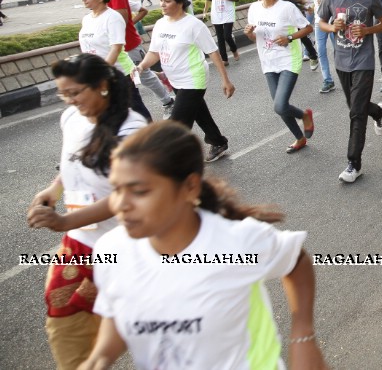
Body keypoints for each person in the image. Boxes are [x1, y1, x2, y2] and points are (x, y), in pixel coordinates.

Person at [79, 121, 328, 370]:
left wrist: (303, 336)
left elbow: (295, 261)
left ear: (190, 187)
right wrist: (98, 359)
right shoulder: (110, 251)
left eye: (140, 191)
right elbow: (116, 321)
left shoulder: (237, 243)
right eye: (116, 189)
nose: (121, 205)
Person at [27, 54, 147, 370]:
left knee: (144, 332)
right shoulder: (71, 118)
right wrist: (53, 191)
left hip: (126, 251)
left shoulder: (132, 130)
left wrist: (65, 220)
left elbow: (124, 197)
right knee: (65, 325)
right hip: (79, 246)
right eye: (63, 94)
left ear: (102, 85)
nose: (70, 101)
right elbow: (71, 163)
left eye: (76, 92)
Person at [135, 0, 235, 162]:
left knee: (178, 125)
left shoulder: (193, 25)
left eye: (167, 1)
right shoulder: (160, 24)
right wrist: (142, 66)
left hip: (193, 79)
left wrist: (225, 80)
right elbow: (154, 52)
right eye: (161, 1)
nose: (162, 5)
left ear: (180, 3)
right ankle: (218, 141)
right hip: (175, 79)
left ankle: (174, 164)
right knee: (198, 112)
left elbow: (213, 52)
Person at [318, 0, 382, 183]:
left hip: (364, 62)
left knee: (356, 113)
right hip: (341, 62)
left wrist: (367, 30)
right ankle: (377, 112)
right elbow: (320, 22)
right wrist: (332, 27)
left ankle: (353, 163)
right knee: (354, 105)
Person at [245, 0, 315, 153]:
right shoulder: (254, 8)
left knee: (280, 105)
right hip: (268, 61)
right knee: (279, 106)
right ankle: (299, 138)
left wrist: (289, 37)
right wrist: (249, 34)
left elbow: (308, 28)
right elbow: (256, 38)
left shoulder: (286, 8)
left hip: (288, 59)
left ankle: (305, 116)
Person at [77, 0, 152, 122]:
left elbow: (116, 48)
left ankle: (152, 141)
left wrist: (101, 72)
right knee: (108, 113)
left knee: (136, 111)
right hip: (98, 75)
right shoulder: (87, 19)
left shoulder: (112, 18)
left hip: (120, 74)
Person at [309, 0, 340, 93]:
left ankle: (346, 75)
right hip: (319, 21)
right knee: (321, 51)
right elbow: (315, 1)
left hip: (333, 21)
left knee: (338, 50)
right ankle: (328, 80)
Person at [201, 0, 240, 65]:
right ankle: (224, 59)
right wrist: (205, 11)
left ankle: (234, 49)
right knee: (220, 38)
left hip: (228, 14)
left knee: (227, 35)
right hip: (216, 14)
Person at [296, 0, 319, 71]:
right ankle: (309, 46)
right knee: (301, 29)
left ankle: (307, 53)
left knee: (307, 27)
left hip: (310, 6)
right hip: (300, 7)